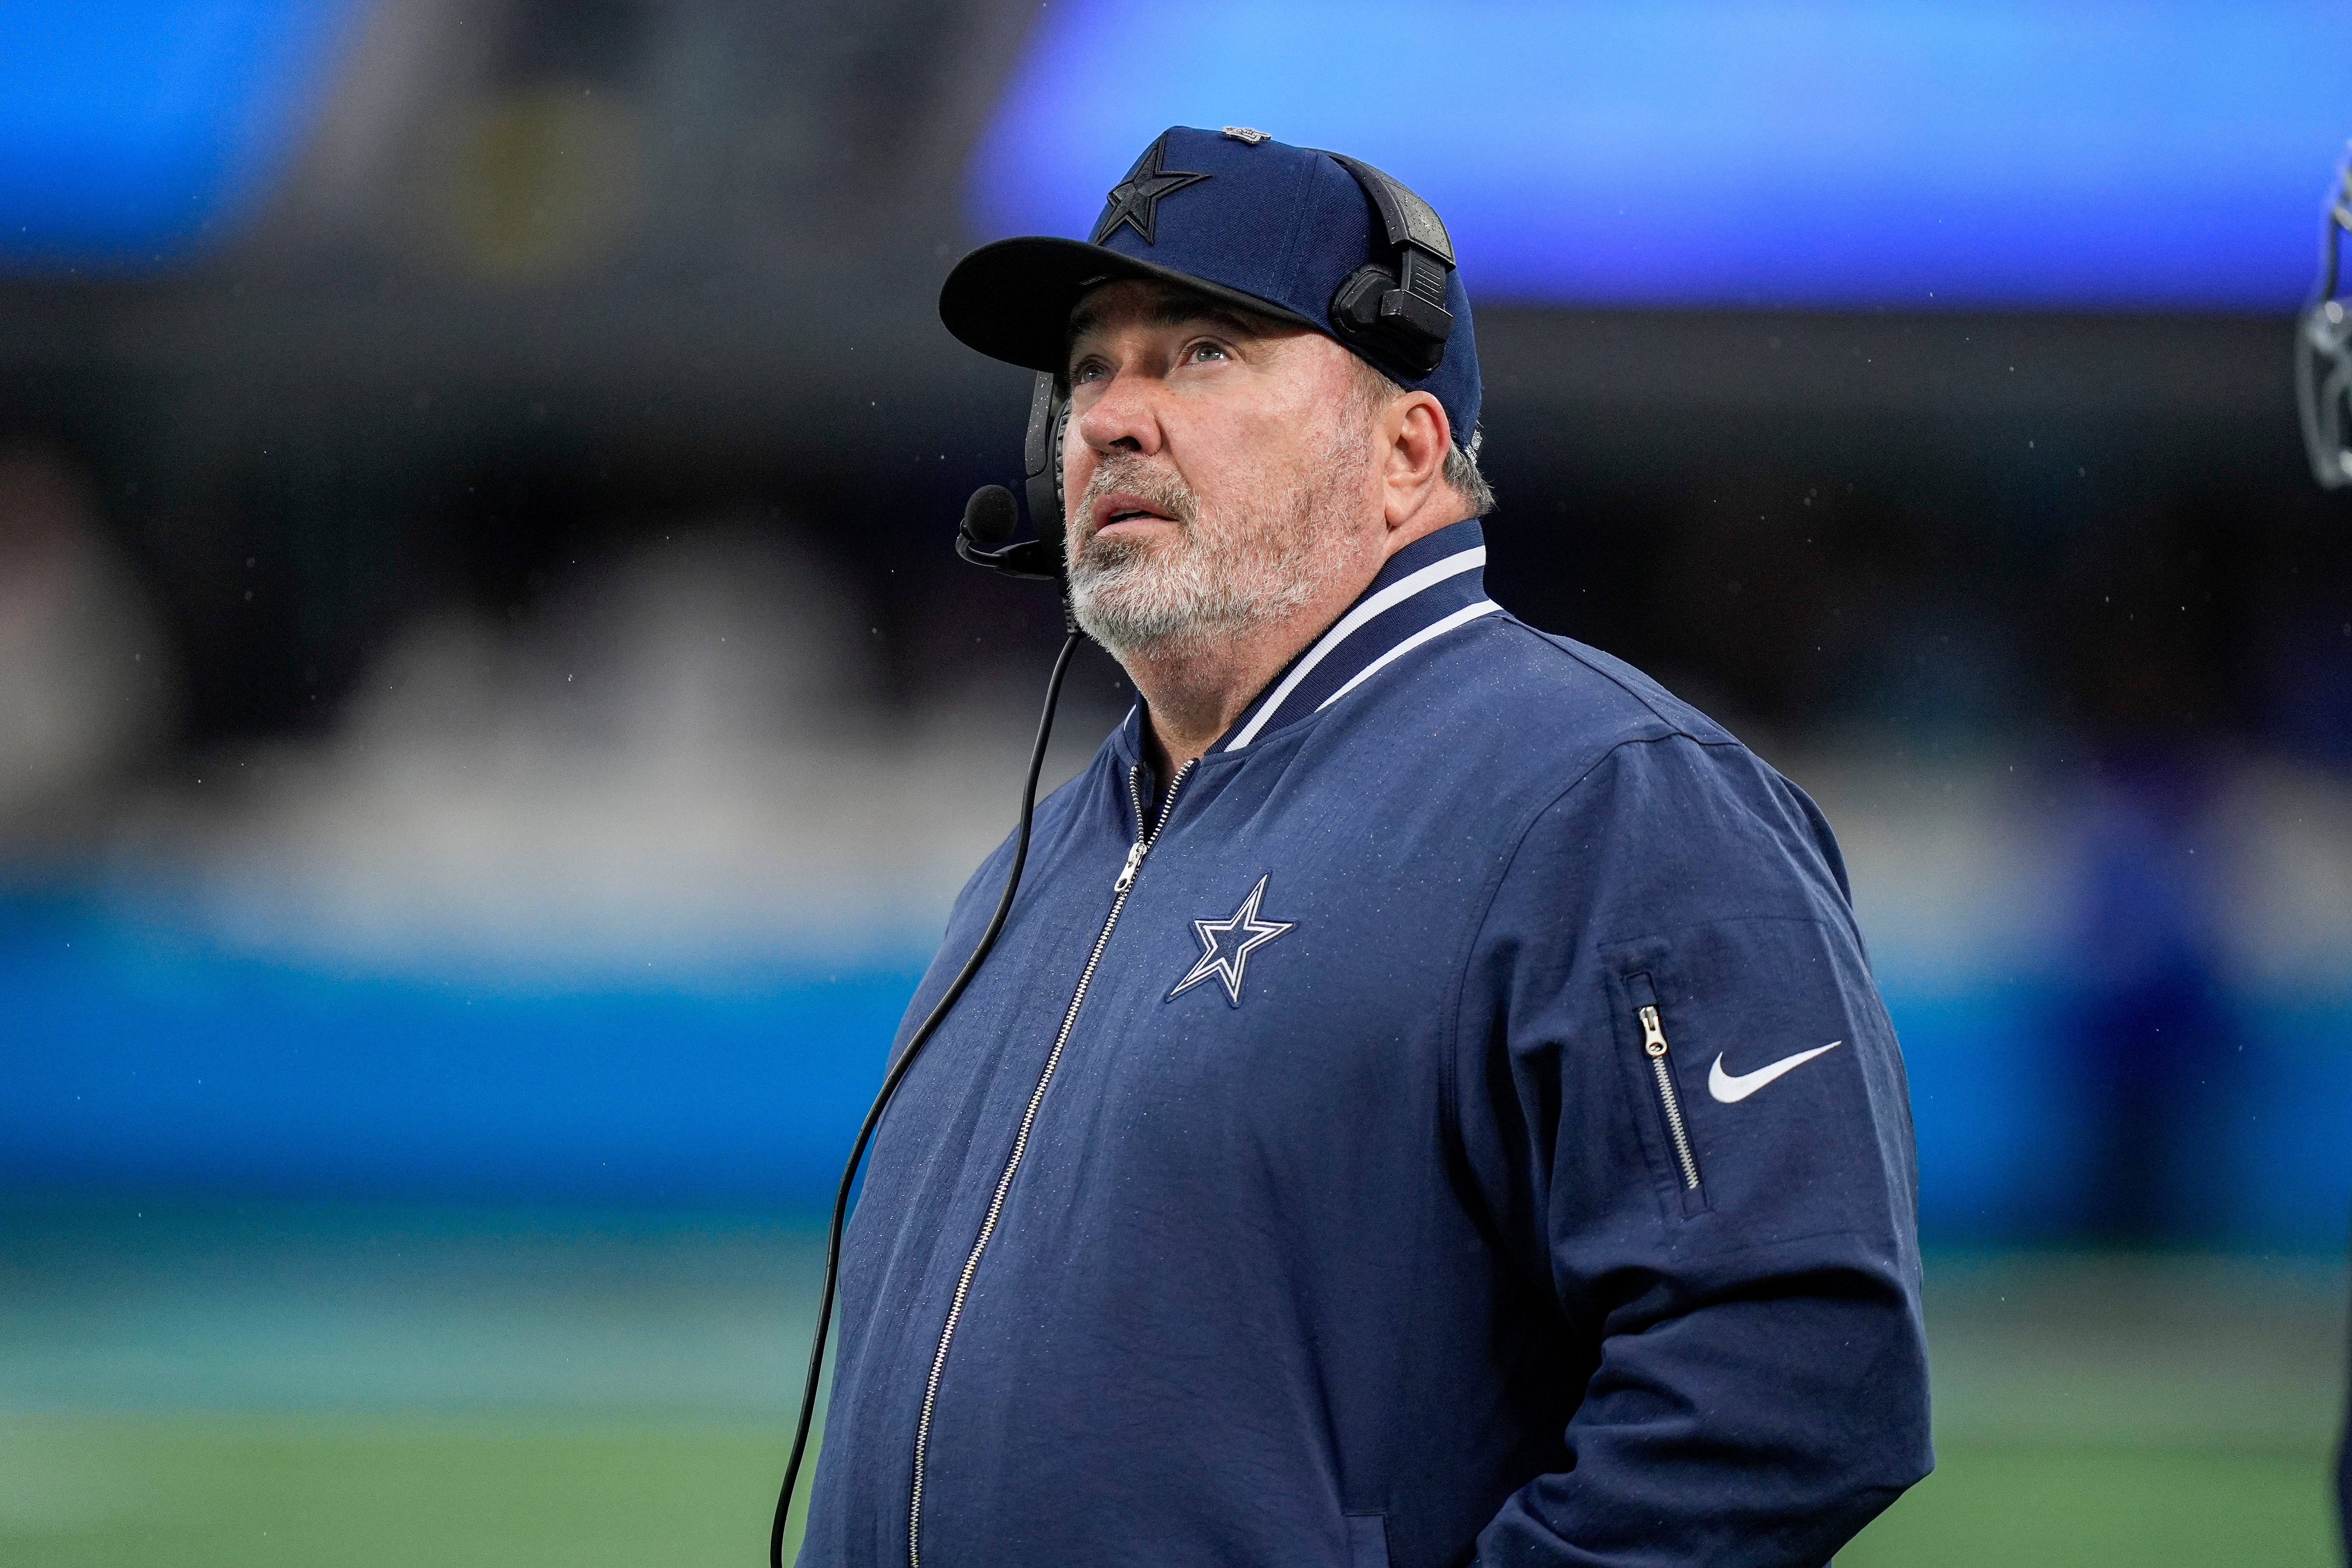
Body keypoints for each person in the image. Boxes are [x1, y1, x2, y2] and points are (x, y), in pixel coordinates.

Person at [800, 126, 1931, 1567]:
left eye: (1203, 353)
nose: (1111, 420)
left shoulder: (1614, 804)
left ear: (1407, 451)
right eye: (1091, 367)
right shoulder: (1046, 857)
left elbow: (1796, 1376)